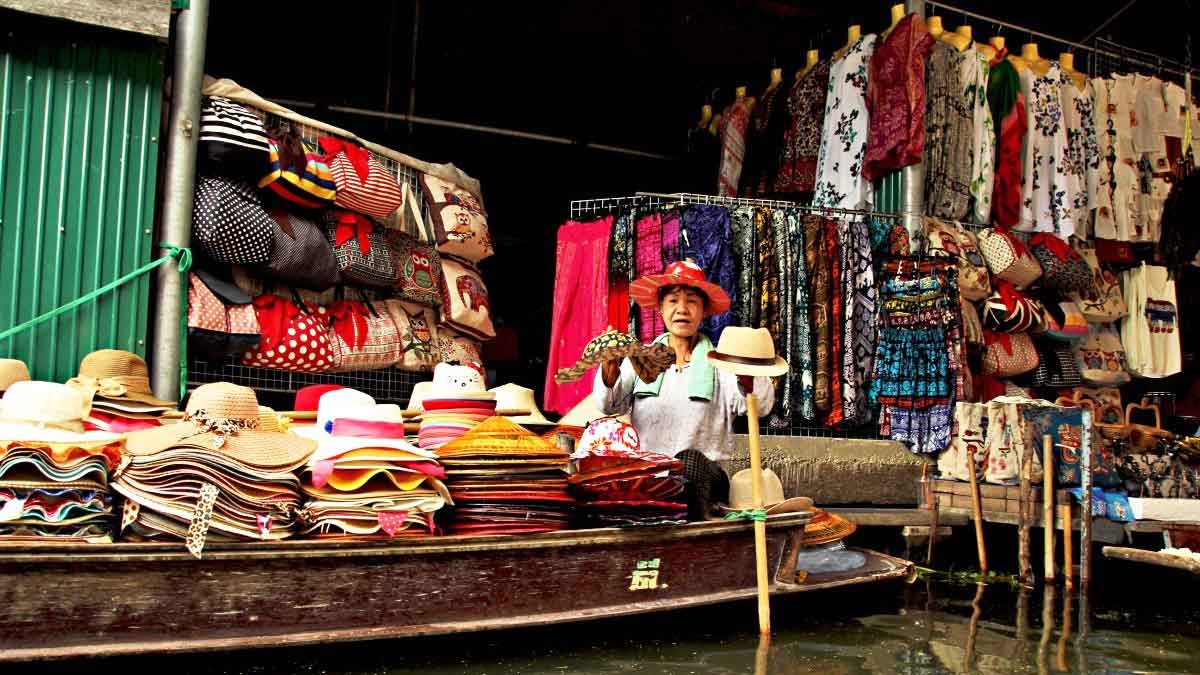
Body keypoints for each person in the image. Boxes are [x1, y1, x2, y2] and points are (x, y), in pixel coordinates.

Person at [593, 260, 774, 461]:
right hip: (651, 480)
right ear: (660, 307)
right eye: (673, 300)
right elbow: (608, 406)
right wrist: (609, 373)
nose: (682, 309)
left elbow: (762, 406)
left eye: (691, 301)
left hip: (704, 482)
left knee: (691, 465)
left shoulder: (722, 365)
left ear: (704, 310)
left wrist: (746, 376)